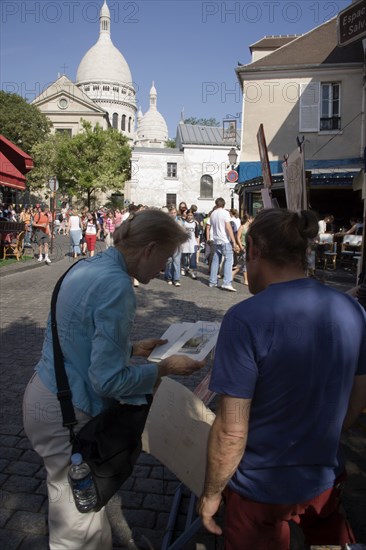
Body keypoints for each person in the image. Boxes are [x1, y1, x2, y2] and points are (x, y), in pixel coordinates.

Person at [23, 209, 205, 550]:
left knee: (87, 519)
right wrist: (164, 369)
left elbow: (74, 334)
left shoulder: (85, 265)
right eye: (166, 256)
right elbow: (108, 381)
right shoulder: (118, 285)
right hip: (68, 414)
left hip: (47, 392)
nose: (165, 266)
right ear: (149, 248)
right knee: (78, 533)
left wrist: (131, 348)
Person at [198, 208, 366, 549]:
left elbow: (232, 430)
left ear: (255, 250)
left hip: (260, 489)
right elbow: (355, 404)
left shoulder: (244, 318)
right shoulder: (352, 309)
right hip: (323, 477)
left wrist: (211, 493)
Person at [208, 197, 240, 292]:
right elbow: (228, 227)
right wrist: (234, 241)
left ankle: (212, 281)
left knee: (215, 260)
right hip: (224, 240)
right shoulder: (225, 213)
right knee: (229, 260)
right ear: (224, 204)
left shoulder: (213, 214)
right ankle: (227, 282)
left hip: (216, 239)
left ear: (216, 204)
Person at [164, 205, 182, 286]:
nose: (173, 214)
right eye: (172, 213)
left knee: (177, 262)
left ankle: (177, 279)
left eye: (175, 213)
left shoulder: (179, 222)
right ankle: (169, 277)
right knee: (169, 262)